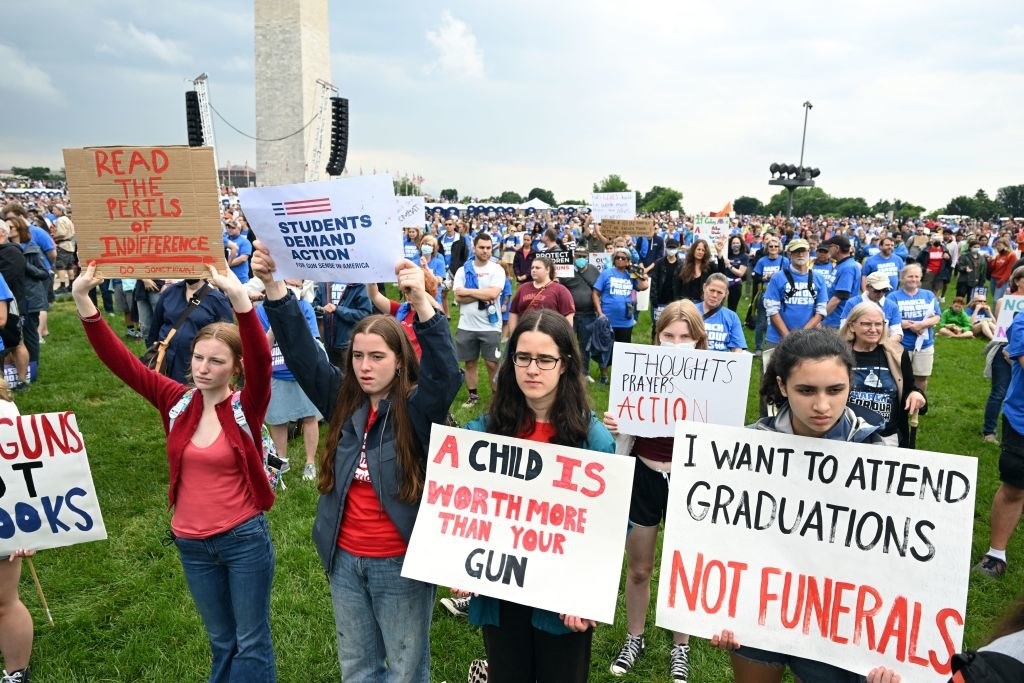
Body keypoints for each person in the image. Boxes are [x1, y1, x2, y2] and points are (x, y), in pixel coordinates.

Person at [252, 247, 461, 682]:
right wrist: (275, 288)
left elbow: (446, 374)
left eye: (378, 357)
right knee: (359, 669)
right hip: (344, 559)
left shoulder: (418, 409)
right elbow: (303, 357)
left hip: (399, 561)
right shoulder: (343, 400)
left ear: (400, 360)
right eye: (358, 357)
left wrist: (422, 304)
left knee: (406, 671)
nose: (365, 367)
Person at [73, 262, 277, 682]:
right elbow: (124, 366)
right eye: (199, 358)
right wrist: (83, 302)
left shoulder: (245, 406)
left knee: (252, 641)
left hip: (243, 539)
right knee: (223, 642)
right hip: (192, 543)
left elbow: (260, 359)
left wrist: (239, 300)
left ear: (234, 369)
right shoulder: (177, 400)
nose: (202, 367)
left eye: (216, 361)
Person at [711, 327, 886, 682]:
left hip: (835, 618)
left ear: (850, 382)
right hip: (759, 604)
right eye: (806, 390)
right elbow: (720, 533)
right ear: (781, 386)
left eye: (835, 390)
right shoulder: (746, 449)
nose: (822, 406)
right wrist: (713, 607)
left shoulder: (876, 454)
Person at [460, 309, 615, 683]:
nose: (532, 369)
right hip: (501, 590)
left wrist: (587, 593)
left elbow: (608, 527)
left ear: (565, 364)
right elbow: (459, 500)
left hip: (562, 601)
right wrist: (457, 558)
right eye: (523, 357)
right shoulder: (486, 431)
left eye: (545, 359)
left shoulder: (591, 439)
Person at [605, 300, 704, 682]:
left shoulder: (711, 379)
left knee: (683, 569)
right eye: (668, 335)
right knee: (640, 567)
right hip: (644, 475)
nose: (677, 344)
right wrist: (615, 424)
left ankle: (681, 645)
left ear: (698, 341)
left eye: (685, 337)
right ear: (656, 336)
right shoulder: (639, 373)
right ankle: (635, 636)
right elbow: (625, 425)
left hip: (689, 481)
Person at [841, 301, 927, 447]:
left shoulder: (897, 354)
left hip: (888, 437)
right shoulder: (838, 354)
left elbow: (909, 388)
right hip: (845, 434)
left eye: (879, 324)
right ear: (851, 326)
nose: (873, 329)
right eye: (866, 324)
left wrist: (916, 394)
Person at [454, 231, 506, 409]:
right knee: (470, 362)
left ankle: (497, 398)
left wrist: (468, 291)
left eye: (488, 248)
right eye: (481, 247)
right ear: (474, 248)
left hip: (491, 325)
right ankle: (473, 396)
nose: (485, 251)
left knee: (492, 363)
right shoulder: (463, 270)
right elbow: (458, 298)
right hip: (466, 324)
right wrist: (481, 295)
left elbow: (493, 293)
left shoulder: (497, 269)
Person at [148, 278, 235, 384]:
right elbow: (156, 325)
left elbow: (227, 337)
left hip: (195, 366)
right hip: (164, 361)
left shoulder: (217, 300)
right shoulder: (170, 292)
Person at [891, 263, 942, 392]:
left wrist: (922, 325)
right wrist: (909, 325)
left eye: (916, 276)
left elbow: (937, 317)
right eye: (910, 276)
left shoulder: (928, 295)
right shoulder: (893, 296)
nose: (913, 279)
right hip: (902, 345)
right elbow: (887, 318)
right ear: (902, 278)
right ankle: (900, 406)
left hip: (924, 345)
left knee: (921, 377)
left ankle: (917, 407)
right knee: (899, 377)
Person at [592, 246, 650, 354]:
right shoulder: (606, 273)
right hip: (607, 319)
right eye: (617, 257)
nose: (620, 260)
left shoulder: (631, 275)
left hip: (625, 321)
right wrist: (600, 313)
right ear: (614, 259)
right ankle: (604, 371)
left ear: (628, 261)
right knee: (605, 349)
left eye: (623, 258)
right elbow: (595, 293)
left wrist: (635, 272)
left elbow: (644, 286)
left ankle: (621, 370)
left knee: (623, 351)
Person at [508, 256, 575, 331]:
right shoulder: (522, 288)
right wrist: (513, 334)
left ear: (548, 270)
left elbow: (568, 316)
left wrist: (563, 337)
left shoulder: (561, 290)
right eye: (532, 268)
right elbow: (513, 312)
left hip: (550, 336)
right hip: (525, 335)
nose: (533, 270)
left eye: (537, 268)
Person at [750, 237, 788, 355]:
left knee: (780, 320)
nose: (773, 248)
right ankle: (758, 347)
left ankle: (780, 346)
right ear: (767, 248)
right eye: (771, 246)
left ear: (779, 248)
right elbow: (755, 278)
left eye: (776, 246)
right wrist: (765, 277)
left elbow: (789, 276)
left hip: (781, 294)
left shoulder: (785, 261)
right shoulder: (762, 261)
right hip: (765, 293)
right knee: (761, 322)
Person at [840, 271, 903, 340]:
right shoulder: (852, 303)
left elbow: (897, 332)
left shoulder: (892, 306)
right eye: (877, 290)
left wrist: (884, 345)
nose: (881, 294)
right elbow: (844, 329)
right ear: (867, 287)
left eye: (885, 290)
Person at [697, 273, 747, 352]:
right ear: (704, 287)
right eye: (712, 290)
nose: (714, 295)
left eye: (719, 292)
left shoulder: (732, 317)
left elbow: (737, 348)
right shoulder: (690, 311)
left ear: (726, 294)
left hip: (721, 362)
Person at [821, 234, 861, 330]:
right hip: (832, 319)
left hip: (837, 321)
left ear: (836, 248)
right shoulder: (841, 265)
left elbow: (838, 298)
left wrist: (819, 318)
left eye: (829, 247)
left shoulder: (848, 267)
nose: (827, 250)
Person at [722, 235, 750, 311]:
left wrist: (729, 265)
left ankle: (731, 322)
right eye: (733, 243)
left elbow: (740, 273)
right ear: (730, 245)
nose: (735, 245)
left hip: (735, 284)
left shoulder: (744, 256)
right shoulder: (726, 254)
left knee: (732, 308)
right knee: (718, 305)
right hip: (723, 282)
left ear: (741, 244)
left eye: (737, 243)